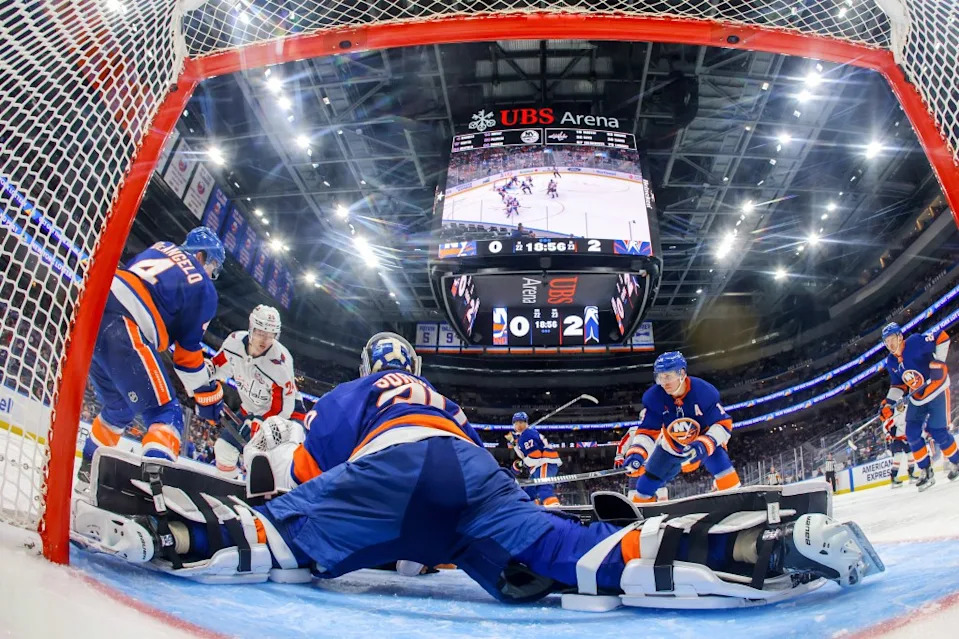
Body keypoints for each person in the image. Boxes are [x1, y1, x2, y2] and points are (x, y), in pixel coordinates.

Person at [73, 333, 885, 609]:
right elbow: (458, 482)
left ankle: (164, 531)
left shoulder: (358, 389)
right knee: (579, 563)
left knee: (278, 536)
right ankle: (768, 548)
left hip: (395, 475)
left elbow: (306, 470)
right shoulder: (447, 401)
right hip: (472, 478)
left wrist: (285, 483)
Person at [76, 228, 225, 487]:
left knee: (120, 408)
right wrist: (207, 393)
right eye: (213, 266)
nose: (211, 274)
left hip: (92, 313)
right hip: (123, 325)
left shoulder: (161, 243)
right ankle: (152, 492)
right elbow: (186, 359)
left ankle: (87, 472)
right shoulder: (204, 287)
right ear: (202, 257)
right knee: (166, 414)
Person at [623, 352, 741, 502]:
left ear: (682, 373)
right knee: (645, 485)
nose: (664, 382)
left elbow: (723, 425)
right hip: (671, 447)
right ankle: (641, 519)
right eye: (660, 377)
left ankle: (737, 503)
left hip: (701, 444)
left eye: (668, 376)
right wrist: (637, 453)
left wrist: (704, 445)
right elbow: (647, 431)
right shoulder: (654, 397)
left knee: (724, 468)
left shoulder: (704, 391)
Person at [209, 305, 300, 477]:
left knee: (265, 463)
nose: (264, 340)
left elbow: (283, 408)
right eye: (260, 332)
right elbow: (218, 365)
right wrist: (206, 373)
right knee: (223, 449)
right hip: (251, 409)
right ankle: (231, 487)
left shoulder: (280, 363)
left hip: (282, 416)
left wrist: (262, 423)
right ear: (251, 328)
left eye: (270, 334)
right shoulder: (234, 342)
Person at [879, 322, 958, 490]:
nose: (890, 344)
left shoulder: (915, 342)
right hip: (917, 397)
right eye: (886, 342)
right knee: (911, 433)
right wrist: (888, 403)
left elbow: (942, 337)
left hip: (937, 390)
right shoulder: (891, 361)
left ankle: (957, 462)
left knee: (938, 432)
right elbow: (898, 385)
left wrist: (939, 362)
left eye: (892, 339)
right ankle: (926, 471)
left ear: (900, 336)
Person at [506, 411, 562, 507]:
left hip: (544, 462)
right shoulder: (523, 436)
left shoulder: (527, 435)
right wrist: (513, 442)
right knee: (529, 492)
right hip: (537, 466)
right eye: (516, 423)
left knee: (543, 485)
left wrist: (522, 464)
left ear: (526, 423)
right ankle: (530, 508)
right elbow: (523, 455)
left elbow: (535, 455)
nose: (518, 425)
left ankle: (553, 507)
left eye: (521, 422)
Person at [881, 402, 917, 487]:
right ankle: (894, 477)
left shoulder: (909, 409)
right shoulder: (894, 415)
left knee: (911, 455)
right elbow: (885, 426)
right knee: (898, 457)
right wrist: (888, 434)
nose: (899, 406)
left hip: (907, 437)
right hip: (897, 439)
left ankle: (911, 475)